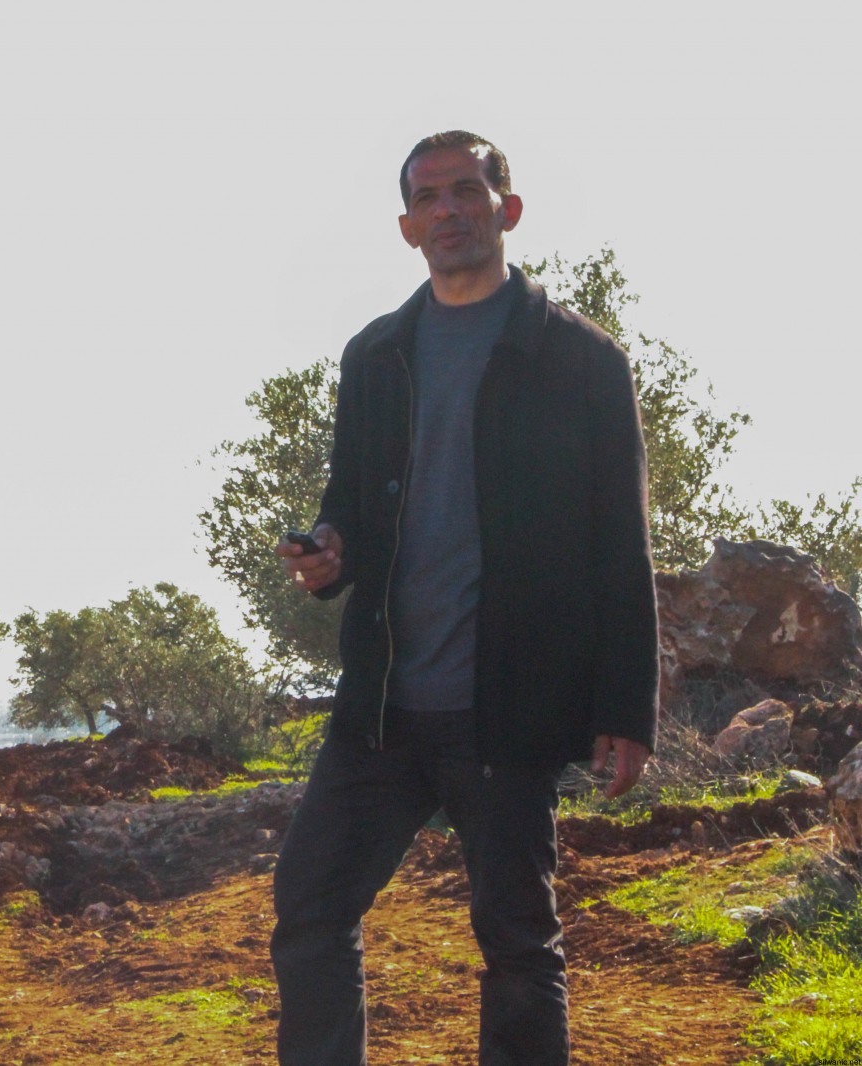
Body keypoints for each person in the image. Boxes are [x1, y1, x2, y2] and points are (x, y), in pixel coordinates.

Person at [271, 131, 659, 1066]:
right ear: (408, 227)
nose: (447, 208)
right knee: (311, 905)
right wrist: (330, 552)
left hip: (508, 709)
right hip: (382, 707)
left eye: (465, 190)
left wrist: (625, 707)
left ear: (506, 209)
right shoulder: (375, 355)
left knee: (518, 943)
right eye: (427, 197)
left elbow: (622, 544)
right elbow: (349, 504)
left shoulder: (580, 360)